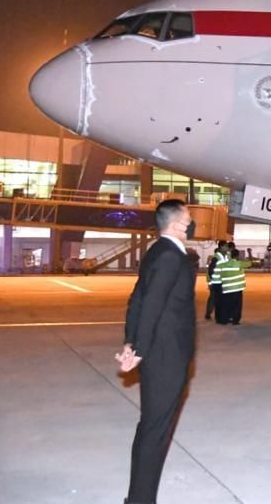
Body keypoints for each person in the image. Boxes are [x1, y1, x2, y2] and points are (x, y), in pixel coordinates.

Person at [116, 200, 197, 504]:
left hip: (159, 351)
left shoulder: (156, 252)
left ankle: (138, 497)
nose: (191, 224)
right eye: (188, 219)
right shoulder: (172, 257)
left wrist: (130, 341)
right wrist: (138, 349)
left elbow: (136, 299)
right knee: (155, 428)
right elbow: (151, 305)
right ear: (177, 224)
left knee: (151, 425)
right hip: (167, 355)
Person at [215, 249, 248, 325]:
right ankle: (235, 321)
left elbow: (217, 275)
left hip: (226, 288)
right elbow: (249, 263)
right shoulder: (239, 263)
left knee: (226, 305)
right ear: (237, 256)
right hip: (237, 289)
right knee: (237, 305)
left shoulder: (223, 264)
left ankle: (224, 320)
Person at [204, 240, 227, 320]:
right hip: (216, 282)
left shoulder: (225, 257)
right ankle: (209, 313)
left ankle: (219, 315)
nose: (227, 248)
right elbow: (211, 270)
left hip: (222, 281)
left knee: (220, 299)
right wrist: (214, 279)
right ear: (221, 247)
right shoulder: (216, 258)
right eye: (226, 246)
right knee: (214, 298)